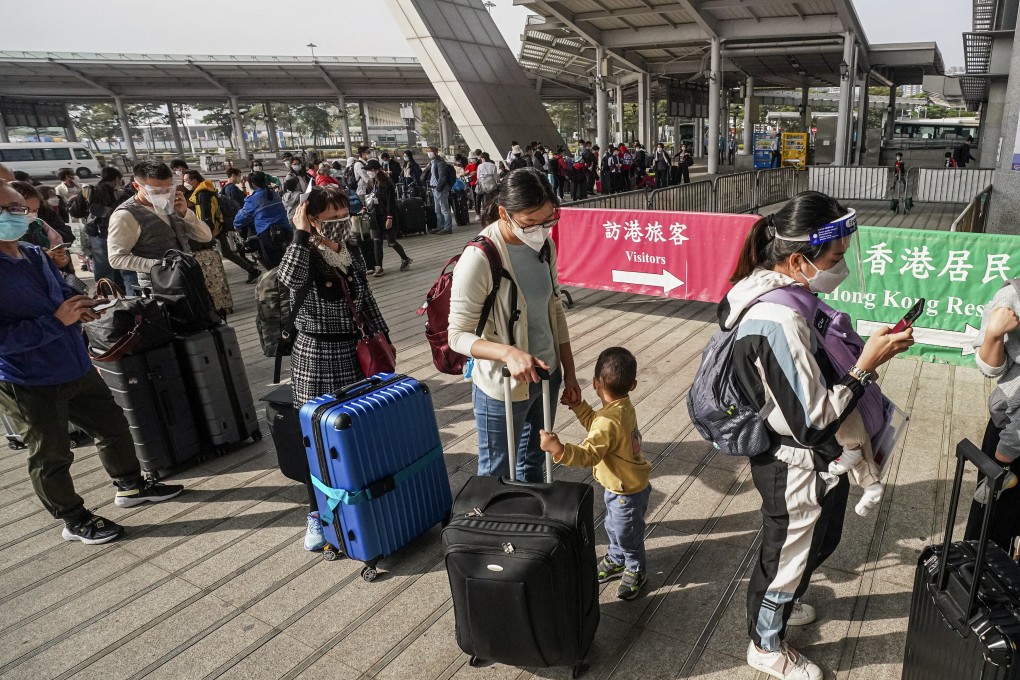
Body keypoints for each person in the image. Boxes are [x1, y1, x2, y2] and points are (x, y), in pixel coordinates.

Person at [725, 191, 914, 680]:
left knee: (817, 541)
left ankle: (783, 608)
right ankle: (764, 645)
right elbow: (811, 420)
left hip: (821, 460)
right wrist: (867, 367)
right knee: (786, 555)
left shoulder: (784, 294)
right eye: (834, 259)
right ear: (795, 260)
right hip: (793, 462)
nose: (841, 266)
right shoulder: (777, 318)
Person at [0, 179, 184, 545]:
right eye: (7, 209)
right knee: (51, 454)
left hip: (73, 362)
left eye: (20, 209)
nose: (17, 216)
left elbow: (61, 292)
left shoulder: (34, 255)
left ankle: (130, 485)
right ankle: (73, 518)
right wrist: (56, 321)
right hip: (30, 378)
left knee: (113, 425)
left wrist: (82, 304)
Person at [448, 167, 580, 481]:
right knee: (497, 474)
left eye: (547, 219)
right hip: (502, 384)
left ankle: (529, 526)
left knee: (533, 464)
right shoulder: (480, 257)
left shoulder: (545, 246)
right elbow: (456, 335)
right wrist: (508, 353)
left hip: (547, 375)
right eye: (530, 222)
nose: (540, 229)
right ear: (505, 213)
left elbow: (554, 309)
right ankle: (493, 528)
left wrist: (570, 372)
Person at [280, 185, 392, 551]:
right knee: (317, 439)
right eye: (331, 219)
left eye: (344, 216)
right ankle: (317, 515)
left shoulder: (348, 250)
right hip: (317, 357)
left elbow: (366, 297)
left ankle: (361, 500)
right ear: (311, 219)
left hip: (355, 351)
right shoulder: (303, 252)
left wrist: (383, 340)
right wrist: (299, 233)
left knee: (357, 432)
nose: (341, 224)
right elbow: (288, 280)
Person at [540, 346, 651, 601]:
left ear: (595, 383)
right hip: (623, 486)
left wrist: (559, 449)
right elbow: (599, 427)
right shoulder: (622, 407)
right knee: (613, 526)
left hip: (627, 491)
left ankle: (635, 567)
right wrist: (579, 407)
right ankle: (616, 557)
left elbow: (590, 453)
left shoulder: (608, 420)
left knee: (627, 532)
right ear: (633, 385)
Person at [966, 279, 1020, 549]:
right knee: (991, 526)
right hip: (1011, 432)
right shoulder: (1011, 297)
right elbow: (990, 368)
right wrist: (994, 335)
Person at [107, 161, 214, 292]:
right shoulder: (125, 215)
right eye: (156, 191)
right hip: (160, 288)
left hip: (190, 280)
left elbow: (206, 237)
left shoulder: (173, 203)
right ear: (136, 186)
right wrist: (160, 265)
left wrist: (186, 213)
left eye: (168, 189)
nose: (164, 194)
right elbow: (116, 258)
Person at [234, 171, 293, 270]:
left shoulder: (254, 199)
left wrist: (236, 225)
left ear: (252, 184)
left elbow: (242, 216)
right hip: (286, 231)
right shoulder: (274, 194)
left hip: (268, 235)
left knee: (275, 265)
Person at [363, 159, 412, 276]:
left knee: (391, 242)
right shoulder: (371, 182)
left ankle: (405, 258)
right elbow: (369, 197)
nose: (368, 172)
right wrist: (365, 208)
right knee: (377, 240)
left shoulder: (386, 182)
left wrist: (389, 217)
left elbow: (391, 202)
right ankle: (378, 266)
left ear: (375, 170)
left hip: (386, 214)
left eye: (370, 170)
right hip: (375, 214)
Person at [85, 167, 131, 289]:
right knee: (122, 265)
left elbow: (77, 212)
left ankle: (105, 293)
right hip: (113, 232)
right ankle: (119, 291)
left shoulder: (89, 190)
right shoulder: (117, 193)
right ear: (116, 178)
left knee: (102, 266)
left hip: (95, 233)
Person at [422, 146, 455, 235]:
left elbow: (442, 177)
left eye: (430, 152)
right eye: (428, 152)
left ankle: (447, 228)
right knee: (438, 209)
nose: (429, 153)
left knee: (444, 209)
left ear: (435, 152)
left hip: (440, 188)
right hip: (435, 188)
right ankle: (440, 226)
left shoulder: (440, 162)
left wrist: (438, 188)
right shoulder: (432, 162)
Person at [474, 153, 498, 219]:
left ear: (483, 158)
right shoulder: (493, 165)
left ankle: (478, 214)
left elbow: (478, 177)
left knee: (478, 198)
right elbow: (495, 177)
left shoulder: (480, 166)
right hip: (491, 184)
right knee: (493, 199)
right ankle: (493, 212)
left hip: (482, 184)